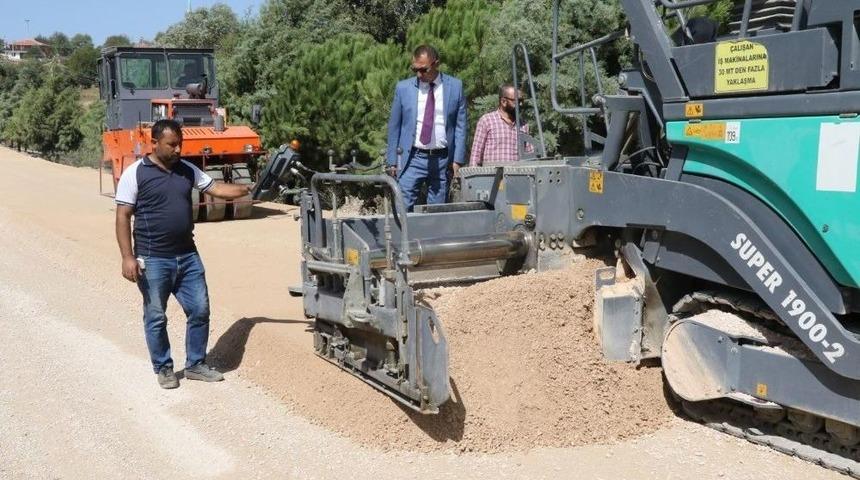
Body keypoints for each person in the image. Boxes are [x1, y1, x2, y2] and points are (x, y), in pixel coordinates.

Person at [114, 119, 252, 389]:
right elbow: (122, 216)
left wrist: (247, 189)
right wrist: (127, 257)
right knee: (156, 316)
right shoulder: (135, 173)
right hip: (153, 259)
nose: (178, 150)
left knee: (200, 309)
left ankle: (196, 365)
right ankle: (164, 368)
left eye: (181, 144)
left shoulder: (187, 170)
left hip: (188, 256)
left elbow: (217, 189)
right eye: (172, 145)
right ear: (154, 143)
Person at [386, 45, 468, 211]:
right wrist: (392, 161)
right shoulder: (403, 88)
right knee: (402, 206)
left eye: (423, 69)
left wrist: (458, 160)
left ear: (436, 63)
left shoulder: (455, 87)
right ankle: (402, 237)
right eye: (415, 69)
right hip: (412, 158)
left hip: (441, 160)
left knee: (436, 211)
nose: (419, 74)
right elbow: (394, 126)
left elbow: (461, 126)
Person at [469, 84, 533, 166]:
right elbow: (476, 154)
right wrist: (474, 176)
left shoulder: (523, 125)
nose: (520, 104)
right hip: (492, 176)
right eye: (517, 101)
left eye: (521, 101)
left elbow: (530, 156)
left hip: (516, 176)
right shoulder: (487, 121)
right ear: (503, 101)